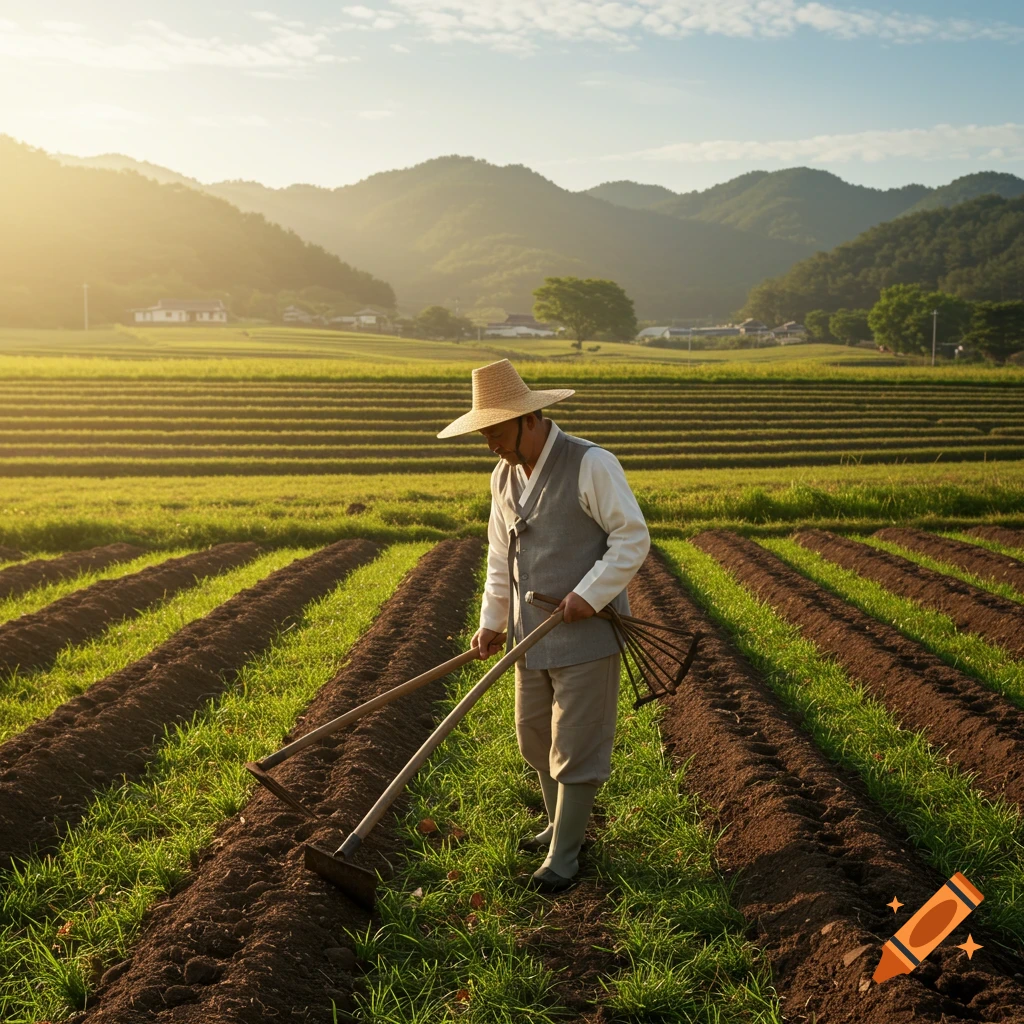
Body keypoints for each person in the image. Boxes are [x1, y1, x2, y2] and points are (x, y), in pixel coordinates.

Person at [437, 359, 650, 893]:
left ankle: (566, 856)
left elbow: (631, 538)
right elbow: (498, 556)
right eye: (483, 434)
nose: (490, 444)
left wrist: (590, 592)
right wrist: (491, 621)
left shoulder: (590, 464)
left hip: (585, 630)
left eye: (495, 431)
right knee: (534, 735)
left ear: (528, 419)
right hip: (528, 634)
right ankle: (559, 825)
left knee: (576, 742)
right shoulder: (502, 476)